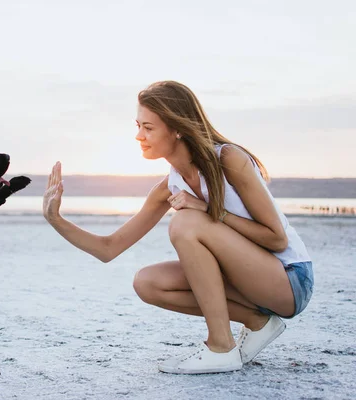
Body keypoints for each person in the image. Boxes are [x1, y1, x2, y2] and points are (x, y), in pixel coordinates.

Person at [42, 80, 313, 374]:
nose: (138, 136)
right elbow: (108, 248)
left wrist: (211, 211)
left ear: (177, 129)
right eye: (138, 125)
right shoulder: (168, 187)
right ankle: (258, 322)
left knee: (185, 221)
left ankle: (221, 346)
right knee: (147, 283)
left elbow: (276, 238)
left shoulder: (229, 160)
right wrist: (56, 219)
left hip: (289, 279)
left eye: (148, 128)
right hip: (249, 283)